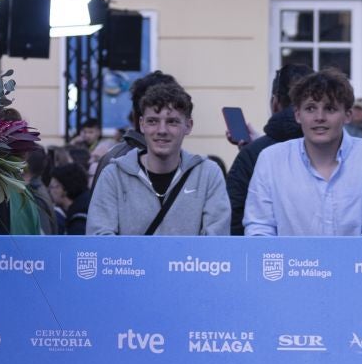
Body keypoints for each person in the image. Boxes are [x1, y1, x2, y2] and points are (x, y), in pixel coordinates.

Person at [243, 67, 362, 237]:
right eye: (310, 108)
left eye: (330, 108)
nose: (319, 117)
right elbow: (259, 230)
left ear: (347, 115)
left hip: (357, 263)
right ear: (298, 115)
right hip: (290, 263)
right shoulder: (271, 160)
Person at [86, 79, 229, 235]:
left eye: (172, 122)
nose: (162, 130)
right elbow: (100, 241)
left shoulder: (208, 175)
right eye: (153, 121)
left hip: (190, 261)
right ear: (142, 124)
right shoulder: (114, 175)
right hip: (130, 261)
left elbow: (215, 245)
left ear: (188, 126)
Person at [226, 60, 310, 234]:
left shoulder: (253, 155)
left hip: (265, 257)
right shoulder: (336, 151)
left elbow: (233, 222)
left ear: (275, 103)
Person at [49, 161, 91, 235]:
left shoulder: (79, 220)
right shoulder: (86, 206)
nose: (50, 191)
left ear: (64, 189)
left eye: (52, 186)